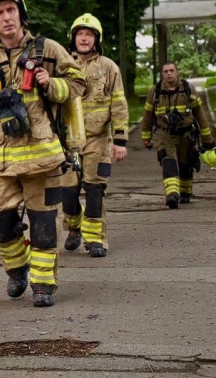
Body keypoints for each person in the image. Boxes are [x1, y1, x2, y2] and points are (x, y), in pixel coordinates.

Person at [0, 0, 86, 307]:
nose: (6, 18)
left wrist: (52, 83)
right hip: (1, 161)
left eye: (11, 10)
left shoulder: (48, 50)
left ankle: (44, 286)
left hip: (42, 160)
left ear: (21, 13)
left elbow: (79, 83)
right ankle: (17, 270)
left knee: (43, 224)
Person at [60, 14, 128, 258]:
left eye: (89, 34)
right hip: (67, 142)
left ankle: (95, 239)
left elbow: (119, 103)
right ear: (73, 38)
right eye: (80, 34)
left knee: (95, 189)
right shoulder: (62, 65)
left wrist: (120, 140)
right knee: (67, 192)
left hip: (98, 140)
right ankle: (74, 227)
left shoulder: (108, 67)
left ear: (96, 39)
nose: (84, 38)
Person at [141, 62, 216, 209]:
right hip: (164, 133)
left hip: (186, 134)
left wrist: (207, 138)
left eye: (172, 70)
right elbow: (147, 115)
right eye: (166, 71)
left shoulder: (188, 89)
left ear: (177, 72)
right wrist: (146, 136)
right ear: (162, 74)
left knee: (185, 164)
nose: (169, 73)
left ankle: (185, 192)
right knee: (168, 162)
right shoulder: (155, 91)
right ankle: (172, 195)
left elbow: (199, 114)